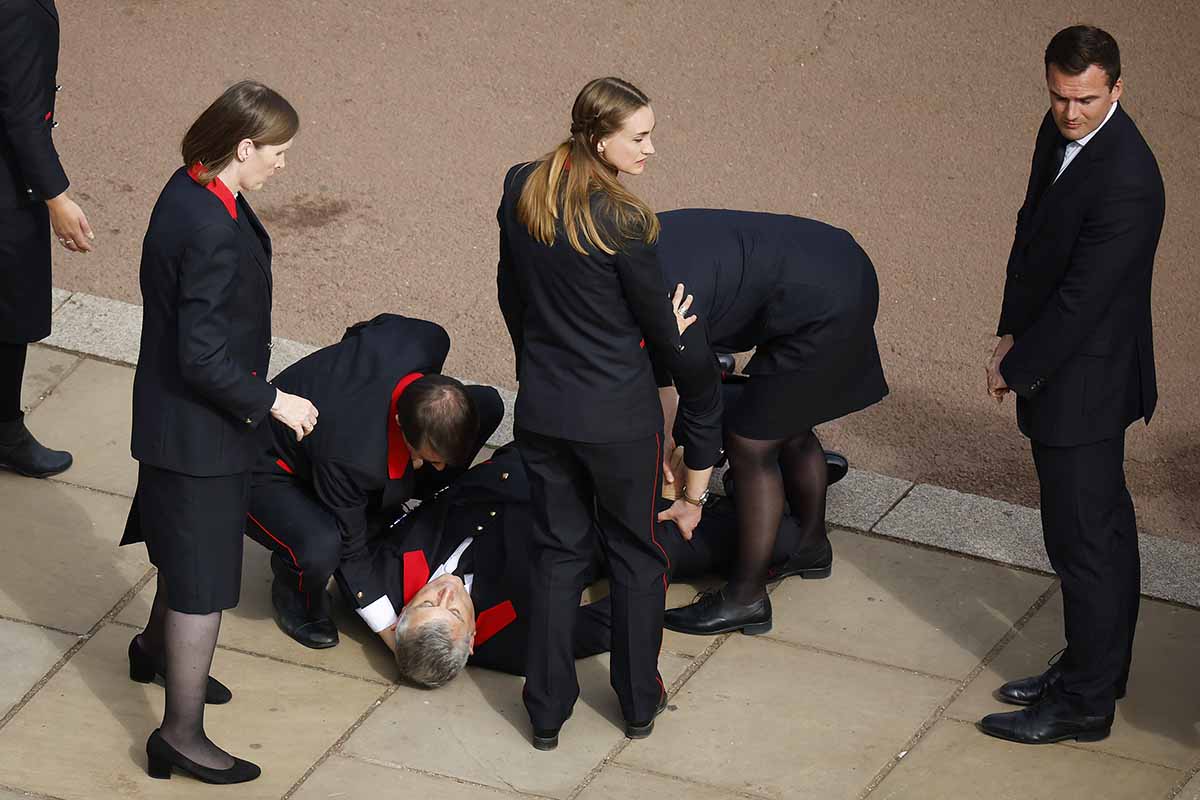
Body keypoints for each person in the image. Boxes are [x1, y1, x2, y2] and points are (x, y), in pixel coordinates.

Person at [496, 77, 723, 750]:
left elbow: (512, 292)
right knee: (635, 557)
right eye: (640, 136)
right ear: (600, 140)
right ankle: (637, 701)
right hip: (619, 420)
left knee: (557, 556)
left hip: (544, 409)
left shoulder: (520, 185)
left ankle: (544, 710)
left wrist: (532, 364)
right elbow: (658, 324)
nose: (652, 147)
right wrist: (680, 331)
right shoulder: (625, 220)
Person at [120, 81, 317, 784]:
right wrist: (272, 401)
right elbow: (200, 355)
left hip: (183, 425)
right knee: (203, 582)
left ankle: (155, 652)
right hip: (199, 436)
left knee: (187, 550)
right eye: (278, 153)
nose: (282, 165)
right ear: (242, 147)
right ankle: (181, 733)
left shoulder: (192, 190)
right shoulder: (206, 226)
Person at [981, 25, 1163, 746]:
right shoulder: (1058, 129)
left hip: (1085, 387)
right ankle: (1096, 669)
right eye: (1059, 96)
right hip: (1066, 370)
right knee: (1102, 535)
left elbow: (1084, 298)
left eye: (1087, 98)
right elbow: (1033, 237)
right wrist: (1007, 329)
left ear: (1117, 88)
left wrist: (1015, 366)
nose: (1070, 113)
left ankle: (1087, 702)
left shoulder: (1129, 180)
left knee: (1084, 545)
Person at [364, 444, 811, 687]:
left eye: (426, 603)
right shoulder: (518, 646)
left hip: (537, 453)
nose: (443, 591)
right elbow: (611, 622)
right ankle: (782, 469)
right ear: (474, 637)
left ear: (401, 617)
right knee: (779, 538)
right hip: (604, 520)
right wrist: (648, 563)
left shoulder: (383, 582)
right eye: (455, 610)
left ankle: (739, 434)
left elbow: (348, 564)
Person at [653, 209, 888, 636]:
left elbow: (702, 397)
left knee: (751, 442)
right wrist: (667, 439)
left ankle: (746, 598)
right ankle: (810, 546)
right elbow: (664, 373)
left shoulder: (672, 299)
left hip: (819, 305)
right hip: (838, 265)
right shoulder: (642, 240)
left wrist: (693, 495)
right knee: (789, 421)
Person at [245, 313, 504, 651]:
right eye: (431, 458)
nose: (438, 468)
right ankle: (294, 589)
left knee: (489, 403)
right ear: (399, 423)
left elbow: (360, 331)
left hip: (340, 438)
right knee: (324, 544)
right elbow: (352, 549)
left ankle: (391, 496)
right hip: (265, 468)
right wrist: (389, 631)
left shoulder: (427, 338)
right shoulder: (352, 455)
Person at [0, 0, 94, 478]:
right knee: (11, 311)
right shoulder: (20, 9)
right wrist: (57, 196)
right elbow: (20, 111)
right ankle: (5, 432)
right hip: (7, 187)